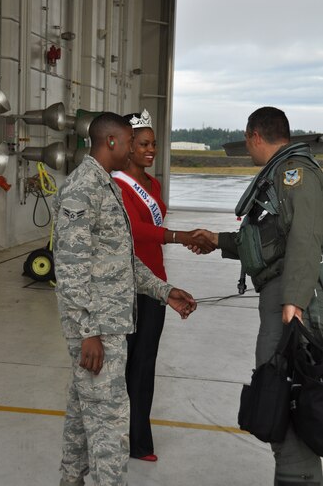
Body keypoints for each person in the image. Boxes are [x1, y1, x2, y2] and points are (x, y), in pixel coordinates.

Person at [52, 111, 198, 486]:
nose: (135, 147)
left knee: (83, 414)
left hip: (111, 324)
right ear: (112, 142)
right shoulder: (83, 188)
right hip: (96, 327)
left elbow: (123, 258)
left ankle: (70, 479)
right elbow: (69, 266)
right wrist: (88, 331)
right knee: (110, 423)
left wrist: (165, 292)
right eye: (131, 141)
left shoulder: (109, 187)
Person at [194, 106, 323, 486]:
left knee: (283, 393)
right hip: (281, 295)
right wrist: (217, 241)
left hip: (289, 301)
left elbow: (305, 238)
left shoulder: (294, 174)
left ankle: (297, 476)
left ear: (254, 135)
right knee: (279, 391)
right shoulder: (281, 175)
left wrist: (294, 302)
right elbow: (269, 241)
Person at [112, 108, 214, 462]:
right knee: (122, 365)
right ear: (127, 146)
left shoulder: (152, 184)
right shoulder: (115, 186)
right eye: (143, 144)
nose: (150, 150)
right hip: (125, 283)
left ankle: (139, 440)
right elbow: (134, 230)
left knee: (145, 363)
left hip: (155, 283)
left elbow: (151, 233)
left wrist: (181, 239)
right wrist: (179, 236)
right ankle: (117, 436)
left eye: (153, 143)